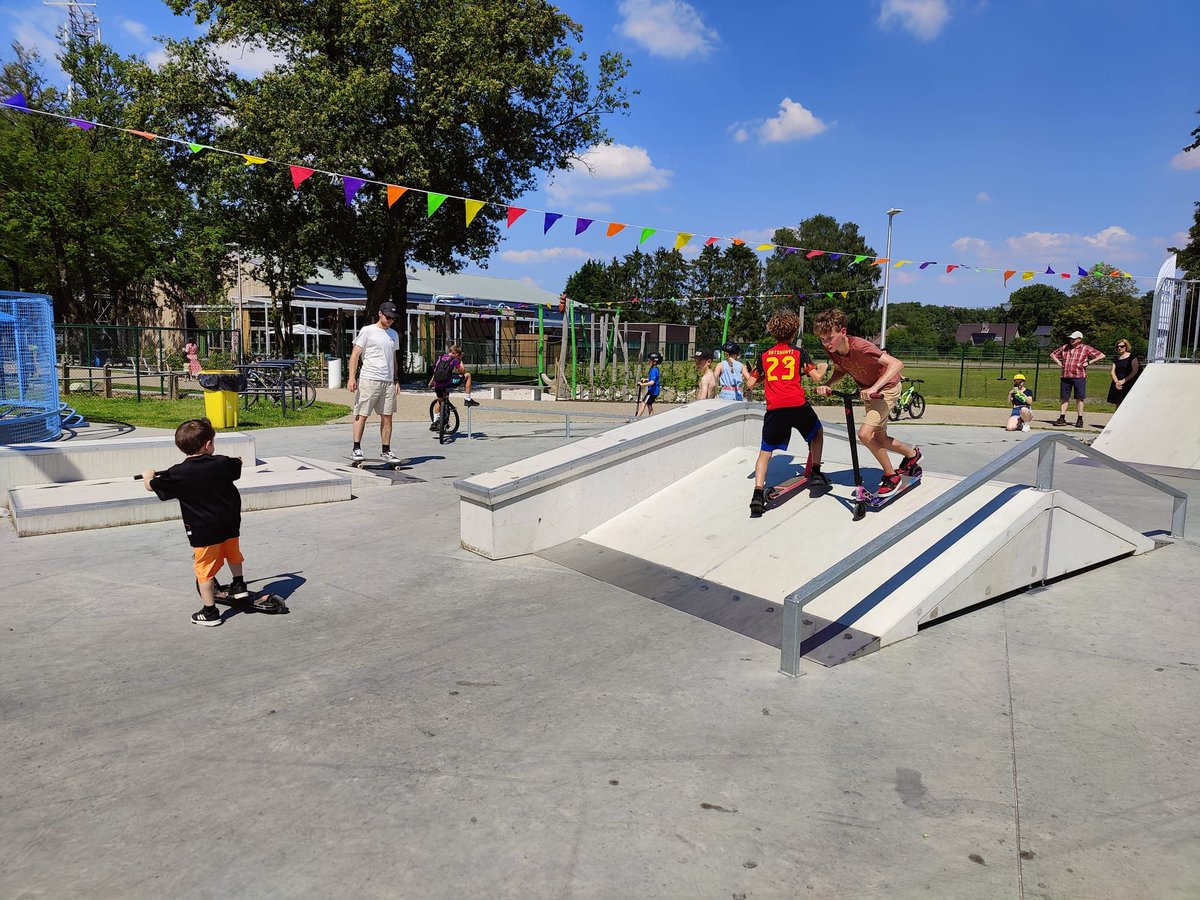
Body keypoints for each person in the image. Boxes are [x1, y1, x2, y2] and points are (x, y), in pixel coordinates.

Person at [142, 418, 248, 627]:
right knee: (233, 553)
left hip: (203, 530)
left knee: (204, 569)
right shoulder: (222, 463)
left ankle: (210, 612)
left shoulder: (178, 473)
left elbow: (153, 486)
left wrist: (148, 476)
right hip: (229, 523)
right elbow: (237, 464)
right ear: (208, 444)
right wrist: (236, 460)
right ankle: (238, 584)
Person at [812, 308, 922, 496]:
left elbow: (896, 364)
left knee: (865, 434)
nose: (826, 343)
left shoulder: (860, 346)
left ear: (843, 332)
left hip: (886, 389)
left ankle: (891, 476)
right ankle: (912, 455)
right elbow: (841, 370)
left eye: (830, 338)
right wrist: (828, 384)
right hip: (870, 392)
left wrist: (874, 388)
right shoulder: (833, 350)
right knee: (879, 438)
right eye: (822, 340)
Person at [744, 310, 830, 516]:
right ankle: (816, 472)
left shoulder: (764, 355)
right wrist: (824, 367)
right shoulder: (799, 353)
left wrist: (754, 375)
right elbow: (816, 377)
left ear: (773, 332)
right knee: (817, 433)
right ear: (794, 332)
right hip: (797, 404)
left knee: (765, 452)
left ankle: (757, 493)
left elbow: (750, 383)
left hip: (775, 409)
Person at [347, 301, 402, 462]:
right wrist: (351, 377)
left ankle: (386, 450)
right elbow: (355, 354)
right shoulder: (367, 331)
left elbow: (393, 358)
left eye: (393, 318)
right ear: (380, 314)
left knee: (387, 416)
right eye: (388, 317)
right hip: (369, 378)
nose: (390, 320)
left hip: (388, 381)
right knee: (361, 413)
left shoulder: (393, 334)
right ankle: (356, 448)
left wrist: (396, 379)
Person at [1050, 330, 1105, 427]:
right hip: (1065, 376)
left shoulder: (1085, 348)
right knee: (1064, 398)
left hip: (1079, 376)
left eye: (1074, 339)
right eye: (1071, 338)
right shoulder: (1065, 347)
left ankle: (1080, 419)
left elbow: (1101, 355)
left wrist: (1088, 363)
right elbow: (1053, 354)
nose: (1071, 340)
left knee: (1079, 398)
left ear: (1079, 339)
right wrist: (1060, 363)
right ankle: (1062, 417)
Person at [428, 344, 480, 432]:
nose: (459, 357)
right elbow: (463, 371)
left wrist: (431, 383)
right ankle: (467, 399)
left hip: (437, 384)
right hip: (447, 382)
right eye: (459, 355)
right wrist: (460, 362)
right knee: (468, 376)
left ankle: (434, 422)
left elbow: (435, 371)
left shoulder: (440, 358)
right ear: (456, 354)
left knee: (440, 401)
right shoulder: (454, 360)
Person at [1107, 339, 1140, 407]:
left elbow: (1135, 371)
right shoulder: (1116, 358)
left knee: (1128, 404)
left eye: (1121, 346)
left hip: (1129, 383)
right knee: (1118, 404)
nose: (1119, 348)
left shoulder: (1132, 357)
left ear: (1126, 346)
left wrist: (1124, 381)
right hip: (1117, 384)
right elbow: (1112, 372)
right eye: (1117, 346)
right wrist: (1117, 382)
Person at [636, 352, 663, 416]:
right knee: (649, 404)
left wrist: (642, 384)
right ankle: (651, 418)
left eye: (649, 361)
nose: (648, 362)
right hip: (654, 391)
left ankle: (636, 418)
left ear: (654, 362)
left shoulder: (654, 370)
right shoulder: (654, 369)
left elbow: (652, 382)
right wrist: (645, 379)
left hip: (652, 392)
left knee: (643, 403)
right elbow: (653, 379)